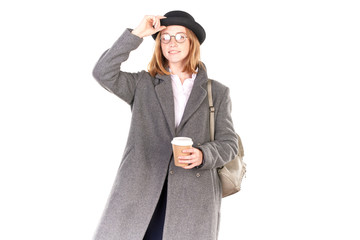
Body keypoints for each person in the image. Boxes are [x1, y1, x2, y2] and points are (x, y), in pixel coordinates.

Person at [92, 10, 238, 240]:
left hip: (192, 196)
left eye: (180, 37)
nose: (172, 43)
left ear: (192, 43)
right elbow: (102, 72)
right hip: (141, 190)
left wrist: (203, 154)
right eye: (166, 37)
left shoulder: (216, 92)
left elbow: (229, 144)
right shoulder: (143, 84)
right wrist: (137, 34)